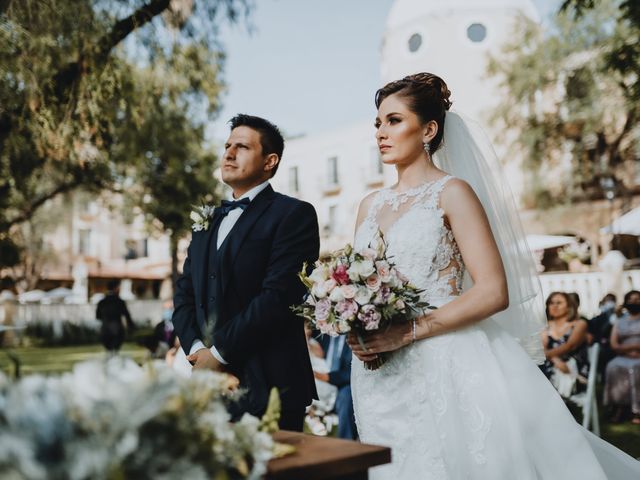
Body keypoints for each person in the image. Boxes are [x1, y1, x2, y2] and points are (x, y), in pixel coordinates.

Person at [347, 73, 640, 479]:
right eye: (377, 123)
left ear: (428, 129)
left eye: (393, 120)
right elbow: (358, 285)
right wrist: (355, 327)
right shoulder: (368, 205)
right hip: (379, 372)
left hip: (446, 359)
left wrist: (410, 331)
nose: (380, 132)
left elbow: (492, 291)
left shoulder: (452, 193)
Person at [172, 114, 319, 431]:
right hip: (207, 389)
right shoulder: (207, 219)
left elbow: (279, 297)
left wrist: (219, 355)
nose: (228, 153)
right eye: (227, 146)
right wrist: (198, 352)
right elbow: (184, 294)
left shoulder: (294, 215)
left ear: (270, 161)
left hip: (271, 384)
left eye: (241, 146)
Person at [540, 292, 589, 398]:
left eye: (559, 303)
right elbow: (541, 347)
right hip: (553, 364)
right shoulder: (545, 326)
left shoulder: (579, 324)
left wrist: (547, 355)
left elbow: (569, 346)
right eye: (551, 303)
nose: (554, 306)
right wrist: (554, 359)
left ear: (569, 306)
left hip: (572, 368)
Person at [604, 290, 640, 424]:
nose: (635, 302)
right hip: (624, 355)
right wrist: (631, 348)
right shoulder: (619, 322)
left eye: (638, 299)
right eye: (631, 299)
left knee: (636, 368)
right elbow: (614, 344)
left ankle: (637, 410)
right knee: (613, 366)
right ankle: (618, 406)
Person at [316, 334, 358, 440]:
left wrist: (327, 377)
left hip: (341, 383)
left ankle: (346, 444)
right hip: (317, 380)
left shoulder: (354, 336)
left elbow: (352, 373)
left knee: (346, 394)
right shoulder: (321, 336)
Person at [96, 279, 135, 354]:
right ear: (116, 288)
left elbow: (98, 317)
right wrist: (132, 328)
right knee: (115, 353)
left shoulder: (101, 302)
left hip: (105, 330)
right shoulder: (120, 302)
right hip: (117, 330)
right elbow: (127, 316)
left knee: (109, 352)